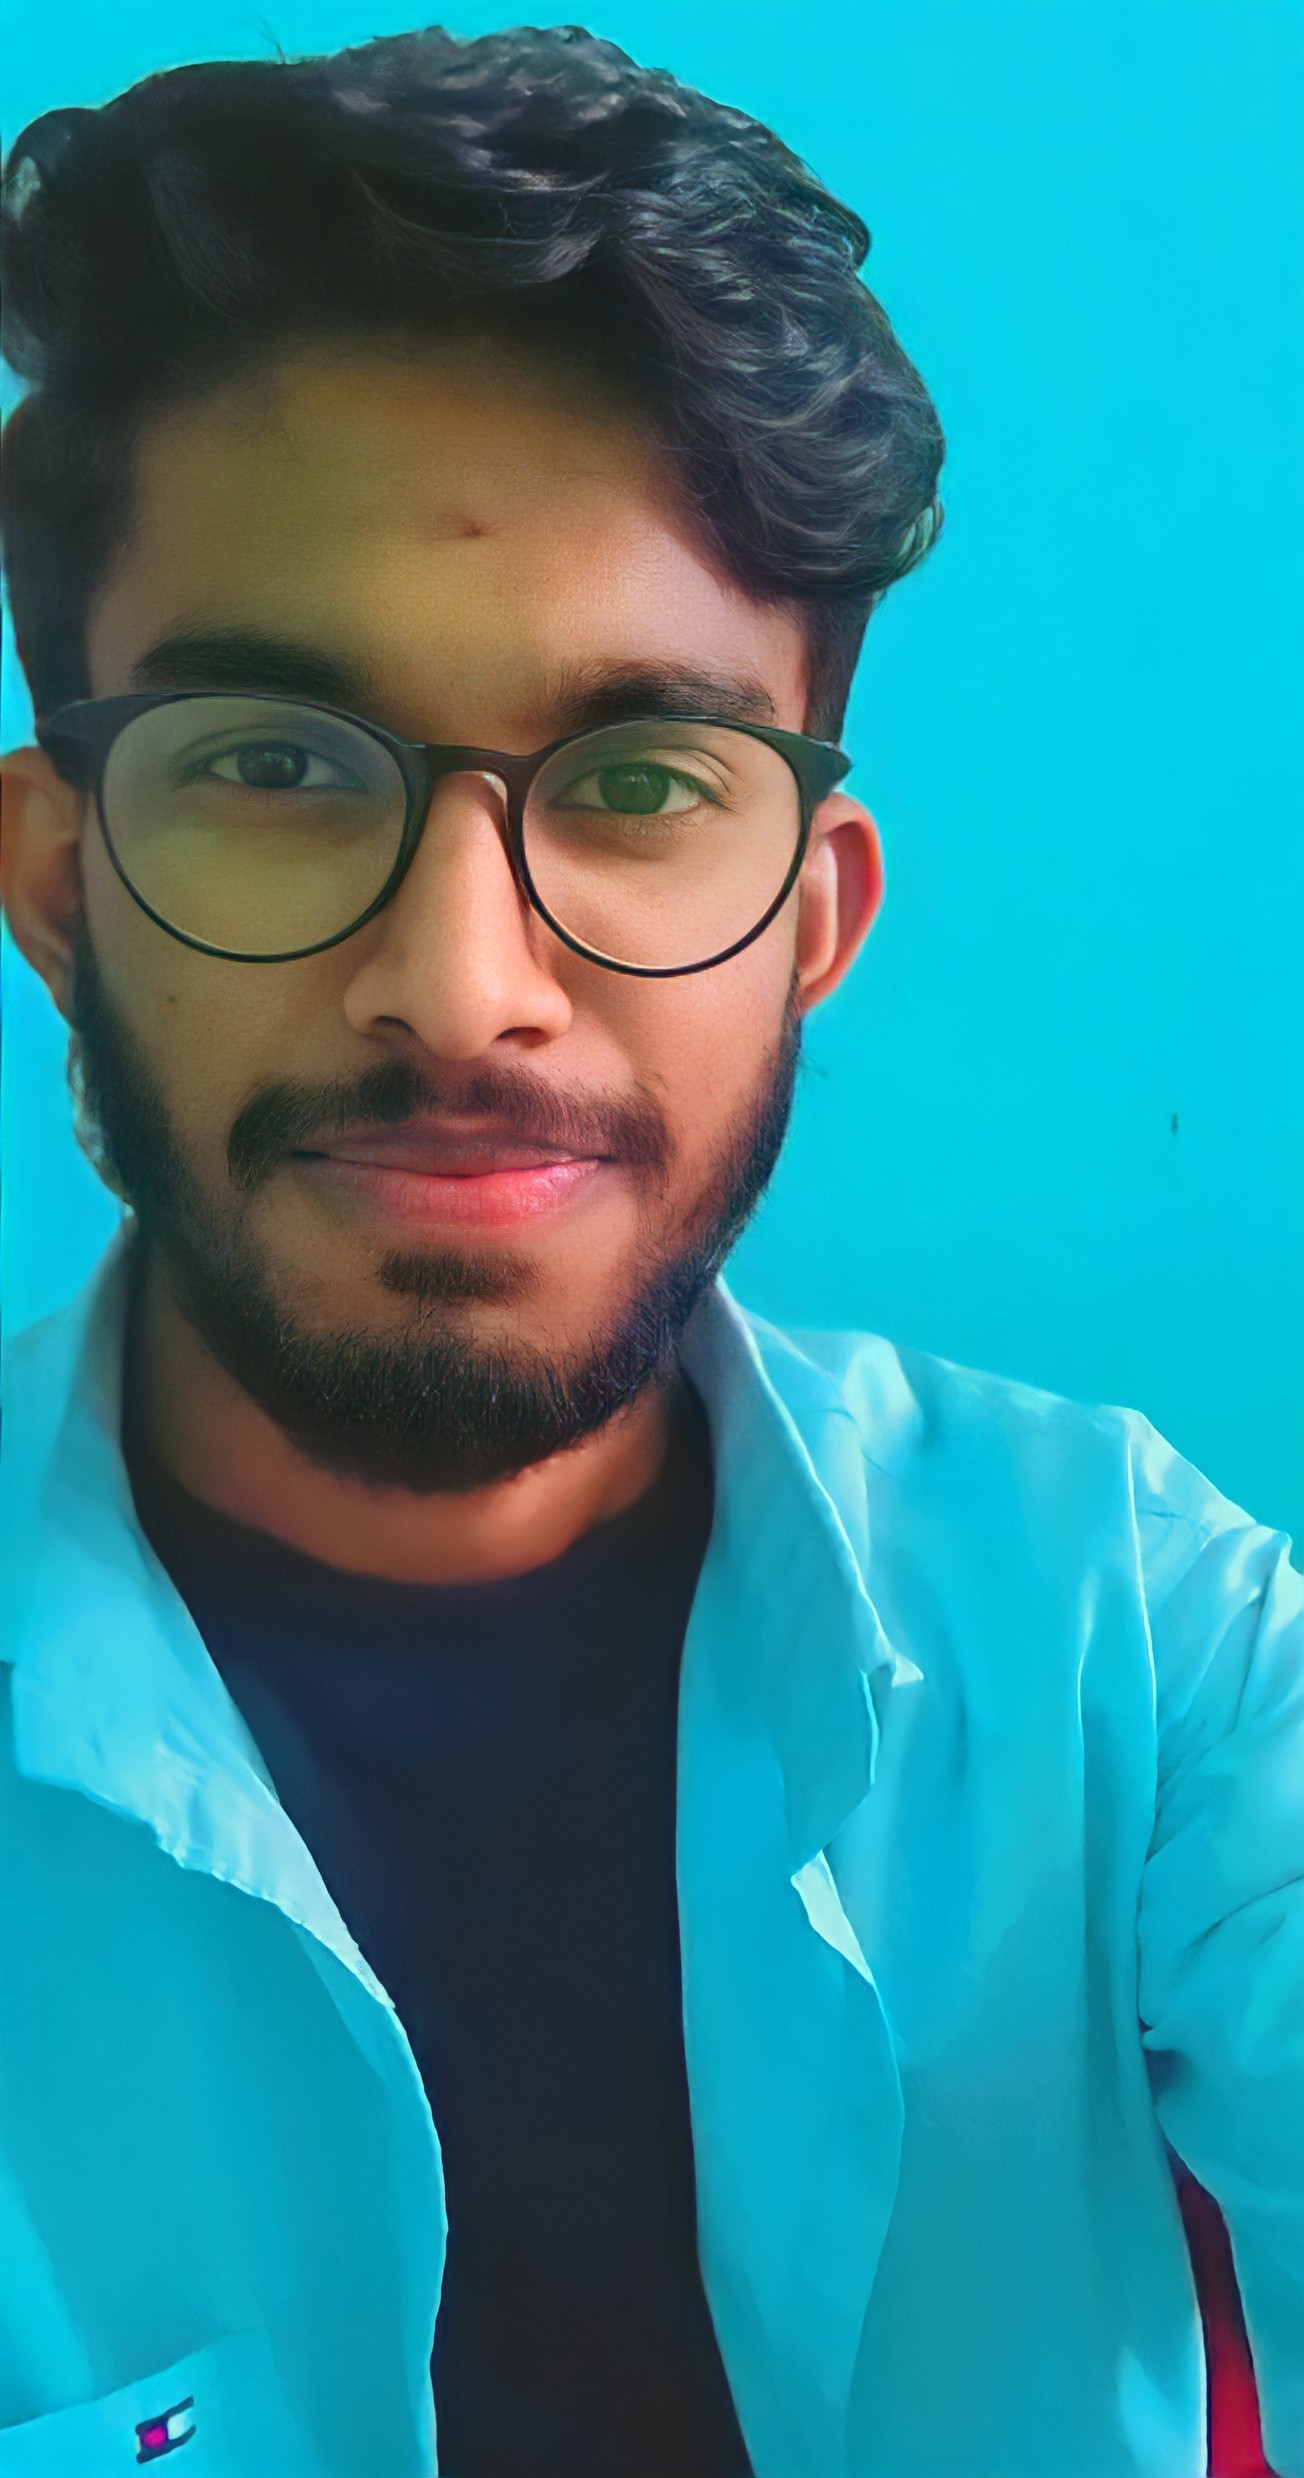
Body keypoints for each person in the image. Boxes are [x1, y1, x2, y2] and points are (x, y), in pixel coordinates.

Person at [0, 24, 1299, 2478]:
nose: (459, 985)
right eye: (272, 764)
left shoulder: (1137, 1655)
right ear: (62, 877)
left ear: (809, 919)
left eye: (635, 781)